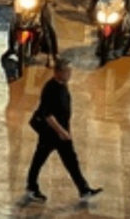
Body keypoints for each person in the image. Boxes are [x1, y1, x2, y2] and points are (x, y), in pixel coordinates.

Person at [25, 59, 102, 204]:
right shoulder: (50, 88)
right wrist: (62, 132)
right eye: (67, 71)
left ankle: (84, 189)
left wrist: (67, 130)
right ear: (58, 72)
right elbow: (47, 114)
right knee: (39, 160)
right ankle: (32, 187)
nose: (70, 74)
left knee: (71, 161)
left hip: (62, 133)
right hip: (50, 133)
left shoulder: (63, 86)